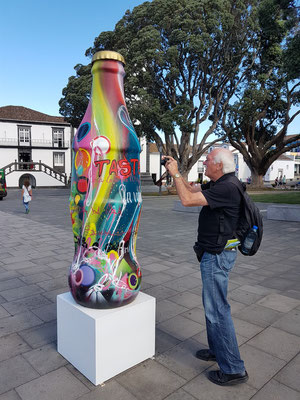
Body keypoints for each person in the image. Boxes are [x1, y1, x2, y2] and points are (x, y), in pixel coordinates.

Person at [164, 148, 248, 386]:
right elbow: (192, 190)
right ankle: (217, 350)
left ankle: (233, 369)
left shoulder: (228, 188)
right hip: (216, 253)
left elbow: (186, 200)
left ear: (219, 165)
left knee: (217, 310)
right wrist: (176, 173)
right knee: (212, 306)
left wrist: (176, 174)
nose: (204, 161)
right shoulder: (221, 184)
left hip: (217, 255)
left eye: (208, 159)